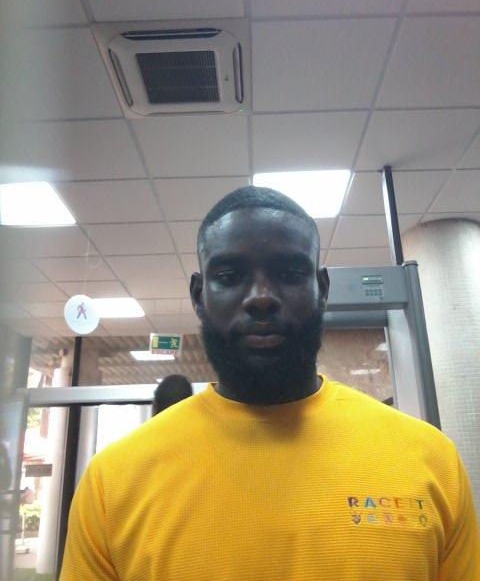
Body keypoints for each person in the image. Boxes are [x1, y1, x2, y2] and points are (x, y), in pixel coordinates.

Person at [60, 186, 480, 580]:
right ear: (199, 295)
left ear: (322, 289)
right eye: (230, 275)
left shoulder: (431, 461)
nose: (261, 296)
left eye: (290, 272)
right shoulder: (113, 484)